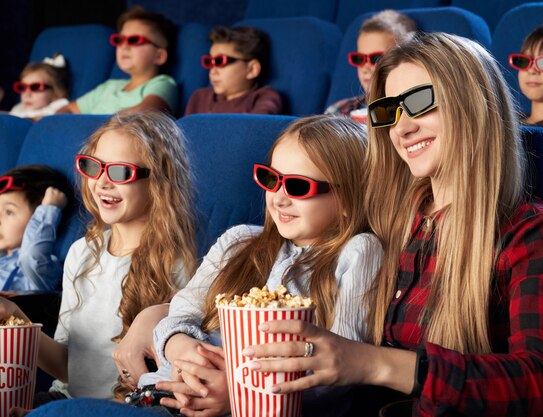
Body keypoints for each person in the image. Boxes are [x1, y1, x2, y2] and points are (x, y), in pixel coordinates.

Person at [244, 32, 543, 417]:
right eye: (389, 111)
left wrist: (374, 363)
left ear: (471, 103)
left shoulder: (535, 236)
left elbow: (541, 382)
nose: (401, 129)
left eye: (420, 102)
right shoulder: (390, 216)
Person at [116, 115, 382, 417]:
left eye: (297, 186)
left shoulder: (358, 251)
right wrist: (181, 349)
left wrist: (242, 393)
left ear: (348, 198)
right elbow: (181, 312)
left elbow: (341, 366)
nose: (279, 198)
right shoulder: (239, 241)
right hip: (174, 387)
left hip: (263, 406)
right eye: (272, 179)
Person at [0, 112, 198, 411]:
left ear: (159, 180)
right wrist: (14, 317)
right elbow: (69, 367)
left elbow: (166, 384)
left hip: (128, 407)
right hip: (65, 398)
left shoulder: (177, 264)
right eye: (93, 167)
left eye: (120, 172)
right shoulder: (82, 253)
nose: (102, 182)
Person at [56, 6, 177, 115]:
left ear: (159, 56)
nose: (124, 46)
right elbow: (68, 109)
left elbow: (148, 112)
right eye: (120, 40)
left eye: (134, 40)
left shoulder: (162, 83)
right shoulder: (109, 86)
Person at [324, 10, 415, 118]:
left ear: (405, 58)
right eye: (359, 59)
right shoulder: (340, 111)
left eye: (375, 58)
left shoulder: (412, 109)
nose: (365, 68)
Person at [184, 26, 283, 115]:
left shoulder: (263, 98)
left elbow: (255, 130)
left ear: (251, 69)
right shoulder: (199, 98)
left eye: (220, 61)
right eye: (209, 62)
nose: (213, 71)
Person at [0, 165, 70, 291]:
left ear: (36, 216)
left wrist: (49, 209)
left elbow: (31, 256)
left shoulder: (43, 268)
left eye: (9, 212)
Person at [9, 54, 70, 121]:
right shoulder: (19, 108)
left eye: (35, 87)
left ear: (55, 93)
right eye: (23, 87)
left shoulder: (58, 107)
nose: (27, 94)